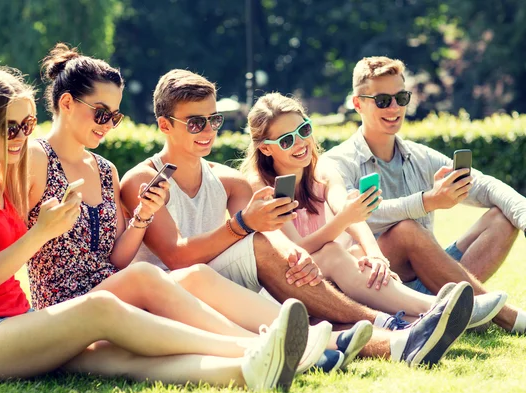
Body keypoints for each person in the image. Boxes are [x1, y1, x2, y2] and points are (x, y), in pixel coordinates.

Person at [0, 66, 309, 391]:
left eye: (27, 125)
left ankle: (250, 369)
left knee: (126, 358)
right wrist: (40, 232)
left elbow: (112, 256)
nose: (23, 137)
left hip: (18, 324)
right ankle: (255, 346)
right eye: (12, 128)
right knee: (103, 307)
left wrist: (141, 214)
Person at [120, 68, 475, 367]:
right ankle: (398, 325)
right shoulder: (141, 179)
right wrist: (244, 225)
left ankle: (405, 333)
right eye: (196, 123)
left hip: (228, 280)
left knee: (296, 284)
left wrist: (293, 253)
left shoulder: (228, 180)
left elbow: (272, 231)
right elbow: (177, 255)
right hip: (174, 292)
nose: (209, 131)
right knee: (268, 259)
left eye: (214, 119)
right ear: (165, 125)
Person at [27, 43, 335, 374]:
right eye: (102, 114)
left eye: (115, 117)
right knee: (147, 275)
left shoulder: (105, 170)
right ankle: (269, 346)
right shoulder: (36, 157)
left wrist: (143, 215)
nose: (109, 125)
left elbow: (114, 260)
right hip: (63, 305)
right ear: (67, 103)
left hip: (114, 292)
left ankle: (321, 344)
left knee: (196, 276)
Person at [240, 91, 505, 329]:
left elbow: (349, 213)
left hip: (332, 275)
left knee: (358, 255)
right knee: (334, 251)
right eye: (287, 141)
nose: (300, 143)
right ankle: (440, 307)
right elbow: (298, 250)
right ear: (265, 148)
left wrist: (376, 255)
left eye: (304, 130)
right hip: (289, 281)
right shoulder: (260, 187)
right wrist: (344, 219)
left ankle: (425, 322)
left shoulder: (322, 169)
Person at [324, 56, 526, 333]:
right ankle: (505, 316)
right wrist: (427, 201)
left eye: (401, 97)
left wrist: (524, 216)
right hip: (379, 284)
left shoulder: (420, 156)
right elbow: (358, 214)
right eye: (383, 100)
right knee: (407, 230)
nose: (394, 108)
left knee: (504, 217)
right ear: (358, 103)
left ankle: (455, 310)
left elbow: (485, 185)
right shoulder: (337, 162)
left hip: (432, 275)